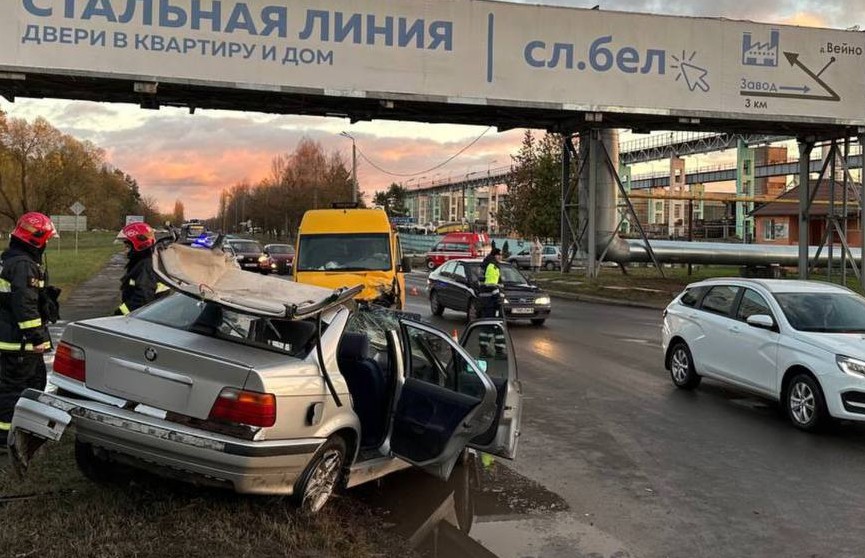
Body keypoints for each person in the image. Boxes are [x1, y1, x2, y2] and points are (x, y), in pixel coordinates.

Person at [0, 212, 59, 449]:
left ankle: (23, 429)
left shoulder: (11, 259)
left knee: (34, 382)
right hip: (18, 343)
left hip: (11, 339)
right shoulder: (24, 265)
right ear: (35, 239)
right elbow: (25, 307)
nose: (46, 244)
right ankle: (6, 437)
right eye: (45, 239)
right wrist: (37, 338)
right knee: (14, 390)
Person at [115, 222, 169, 316]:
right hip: (152, 313)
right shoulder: (147, 261)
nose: (124, 251)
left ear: (138, 245)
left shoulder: (146, 266)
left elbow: (142, 298)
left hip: (146, 317)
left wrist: (119, 315)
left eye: (127, 247)